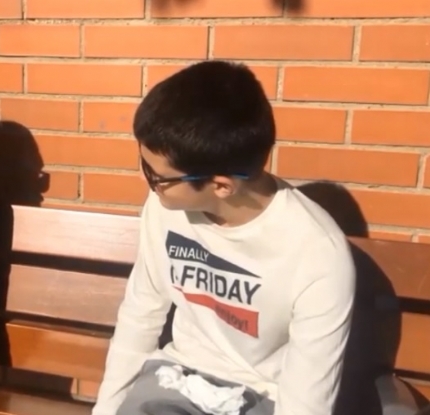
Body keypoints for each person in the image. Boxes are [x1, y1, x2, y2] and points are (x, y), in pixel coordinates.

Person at [92, 61, 356, 415]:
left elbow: (307, 399)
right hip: (174, 382)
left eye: (157, 177)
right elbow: (140, 317)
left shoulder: (318, 254)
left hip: (264, 397)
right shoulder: (164, 209)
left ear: (221, 186)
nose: (146, 182)